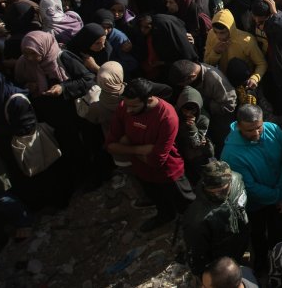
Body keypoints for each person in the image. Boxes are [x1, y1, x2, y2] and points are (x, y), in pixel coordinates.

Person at [105, 79, 195, 232]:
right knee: (159, 200)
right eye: (127, 105)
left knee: (187, 205)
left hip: (170, 173)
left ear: (149, 99)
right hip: (142, 171)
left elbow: (157, 160)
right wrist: (141, 150)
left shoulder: (167, 116)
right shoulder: (124, 107)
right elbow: (111, 145)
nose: (128, 110)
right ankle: (166, 216)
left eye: (134, 106)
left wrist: (126, 145)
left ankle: (193, 227)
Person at [220, 104, 282, 277]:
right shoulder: (231, 153)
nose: (256, 133)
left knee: (281, 229)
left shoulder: (273, 129)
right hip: (255, 205)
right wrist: (279, 195)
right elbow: (250, 187)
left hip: (280, 195)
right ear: (238, 126)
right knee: (258, 234)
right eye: (249, 130)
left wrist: (281, 190)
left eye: (259, 127)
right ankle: (261, 261)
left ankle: (280, 257)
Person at [180, 159, 250, 275]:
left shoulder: (237, 179)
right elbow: (198, 254)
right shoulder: (196, 218)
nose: (219, 195)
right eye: (213, 191)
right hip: (221, 257)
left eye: (223, 190)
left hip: (241, 239)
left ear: (230, 180)